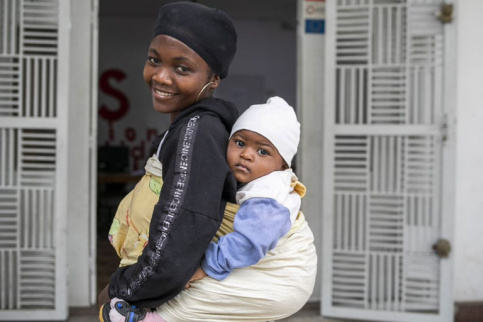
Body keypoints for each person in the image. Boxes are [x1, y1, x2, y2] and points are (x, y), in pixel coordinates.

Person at [98, 2, 239, 321]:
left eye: (182, 68)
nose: (161, 77)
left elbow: (181, 235)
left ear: (213, 79)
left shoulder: (198, 131)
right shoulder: (189, 127)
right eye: (154, 60)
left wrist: (121, 289)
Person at [189, 96, 305, 283]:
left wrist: (206, 266)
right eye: (240, 143)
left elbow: (249, 243)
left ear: (283, 165)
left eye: (262, 152)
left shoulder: (267, 194)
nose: (246, 154)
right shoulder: (257, 181)